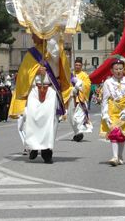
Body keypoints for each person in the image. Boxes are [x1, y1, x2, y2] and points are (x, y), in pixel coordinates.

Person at [8, 34, 71, 164]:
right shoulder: (31, 54)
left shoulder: (53, 50)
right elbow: (23, 74)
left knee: (49, 121)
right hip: (35, 90)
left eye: (35, 34)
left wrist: (49, 30)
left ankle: (47, 151)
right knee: (32, 118)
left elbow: (56, 51)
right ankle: (33, 147)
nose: (32, 37)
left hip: (50, 89)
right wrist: (36, 71)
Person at [100, 58, 125, 166]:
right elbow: (105, 100)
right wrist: (105, 114)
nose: (118, 71)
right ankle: (115, 156)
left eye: (120, 68)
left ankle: (120, 156)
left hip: (124, 112)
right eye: (116, 69)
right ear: (112, 70)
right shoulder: (108, 82)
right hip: (112, 111)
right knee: (114, 133)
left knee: (122, 135)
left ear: (124, 69)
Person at [68, 57, 92, 142]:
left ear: (81, 66)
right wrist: (72, 89)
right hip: (71, 97)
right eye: (76, 65)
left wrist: (79, 83)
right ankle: (76, 133)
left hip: (80, 98)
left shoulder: (84, 75)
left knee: (77, 117)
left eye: (79, 65)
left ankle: (79, 133)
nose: (77, 66)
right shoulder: (70, 74)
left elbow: (88, 86)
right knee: (70, 117)